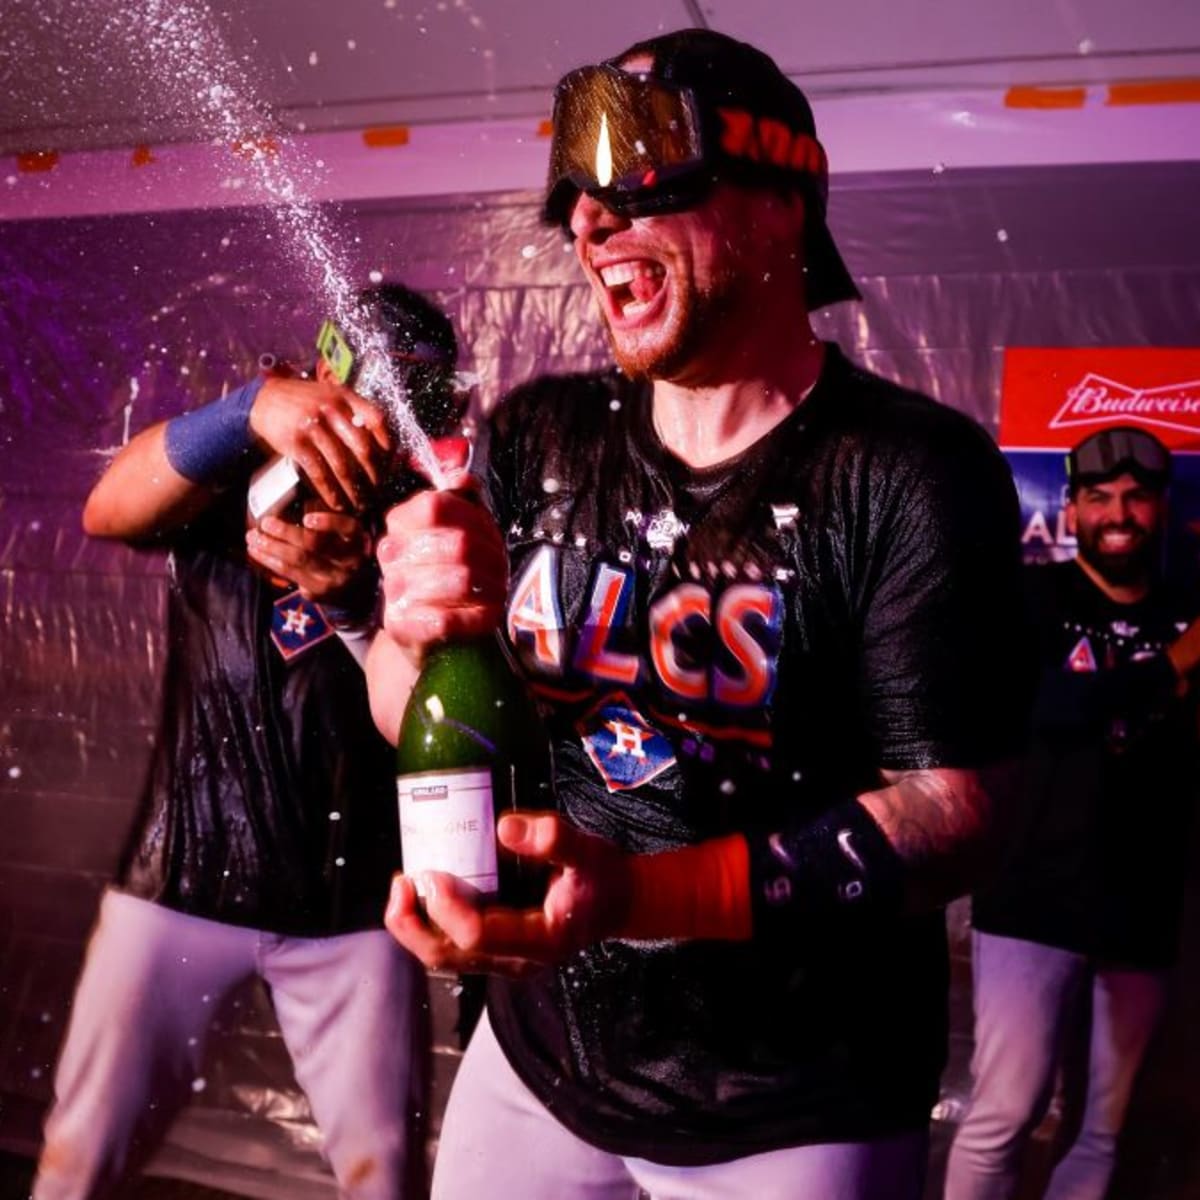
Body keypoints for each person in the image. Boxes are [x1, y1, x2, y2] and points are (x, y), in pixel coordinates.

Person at [367, 29, 1029, 1200]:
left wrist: (638, 895)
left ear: (782, 203)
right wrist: (410, 636)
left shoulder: (911, 471)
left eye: (641, 176)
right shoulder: (537, 437)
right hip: (539, 1062)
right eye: (579, 193)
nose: (590, 221)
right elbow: (415, 715)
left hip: (794, 1108)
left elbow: (957, 816)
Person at [34, 283, 462, 1200]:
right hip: (184, 876)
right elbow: (106, 508)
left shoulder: (435, 513)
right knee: (78, 1163)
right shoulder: (235, 469)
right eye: (370, 393)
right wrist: (246, 411)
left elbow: (449, 707)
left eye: (412, 400)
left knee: (380, 1175)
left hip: (351, 902)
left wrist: (366, 593)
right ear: (326, 378)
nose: (381, 425)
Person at [944, 425, 1200, 1200]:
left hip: (1144, 907)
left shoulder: (1189, 605)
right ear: (1073, 509)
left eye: (1135, 496)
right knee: (1002, 1116)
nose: (1118, 511)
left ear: (1160, 507)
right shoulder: (1031, 599)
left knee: (1103, 1132)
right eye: (1099, 497)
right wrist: (1174, 669)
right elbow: (1044, 709)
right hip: (1032, 899)